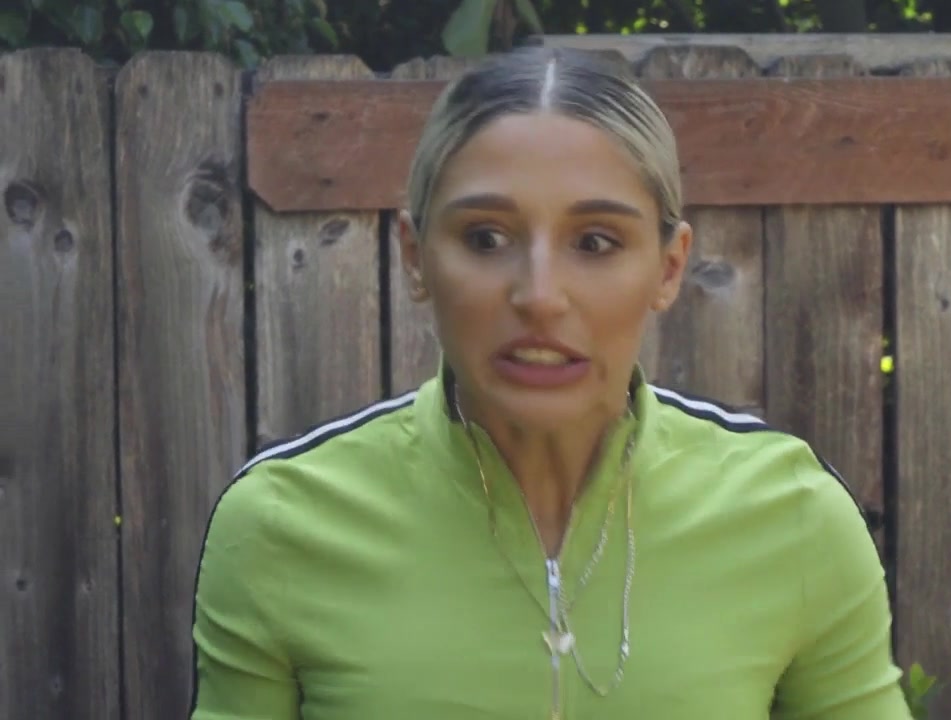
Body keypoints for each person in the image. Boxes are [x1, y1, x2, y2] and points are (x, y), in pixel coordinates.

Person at [189, 45, 911, 719]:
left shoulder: (793, 516)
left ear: (668, 268)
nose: (539, 296)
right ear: (414, 257)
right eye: (486, 238)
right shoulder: (280, 526)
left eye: (595, 242)